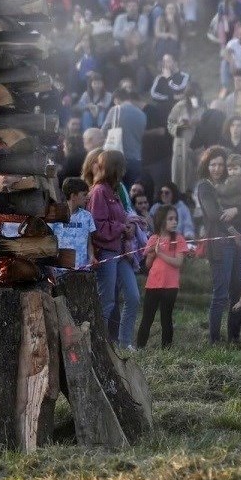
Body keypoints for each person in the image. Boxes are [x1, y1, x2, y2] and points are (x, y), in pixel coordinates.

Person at [88, 149, 140, 348]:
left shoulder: (115, 190)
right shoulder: (99, 192)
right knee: (107, 302)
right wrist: (121, 228)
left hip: (120, 251)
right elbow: (97, 226)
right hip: (106, 252)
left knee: (133, 297)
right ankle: (97, 344)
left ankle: (124, 343)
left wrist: (128, 228)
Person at [195, 146, 241, 344]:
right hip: (220, 244)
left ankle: (234, 336)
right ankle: (214, 339)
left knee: (238, 290)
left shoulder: (232, 184)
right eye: (213, 164)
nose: (216, 168)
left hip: (238, 244)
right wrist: (233, 230)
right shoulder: (205, 187)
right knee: (220, 294)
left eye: (221, 165)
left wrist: (237, 209)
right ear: (207, 166)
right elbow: (213, 215)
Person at [137, 203, 188, 348]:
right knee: (147, 317)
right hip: (153, 284)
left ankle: (166, 349)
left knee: (166, 318)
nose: (174, 222)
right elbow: (147, 265)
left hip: (170, 286)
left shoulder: (178, 239)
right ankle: (140, 347)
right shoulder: (153, 239)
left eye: (175, 219)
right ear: (161, 220)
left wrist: (161, 253)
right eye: (170, 219)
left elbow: (178, 262)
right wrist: (152, 253)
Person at [101, 87, 148, 187]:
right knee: (132, 193)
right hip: (136, 158)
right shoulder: (142, 114)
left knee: (117, 193)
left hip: (117, 158)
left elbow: (104, 131)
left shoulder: (115, 110)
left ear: (116, 99)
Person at [52, 177, 97, 270]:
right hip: (60, 270)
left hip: (81, 271)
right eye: (84, 194)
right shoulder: (55, 215)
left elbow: (89, 243)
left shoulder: (87, 216)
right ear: (73, 196)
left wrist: (92, 256)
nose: (88, 197)